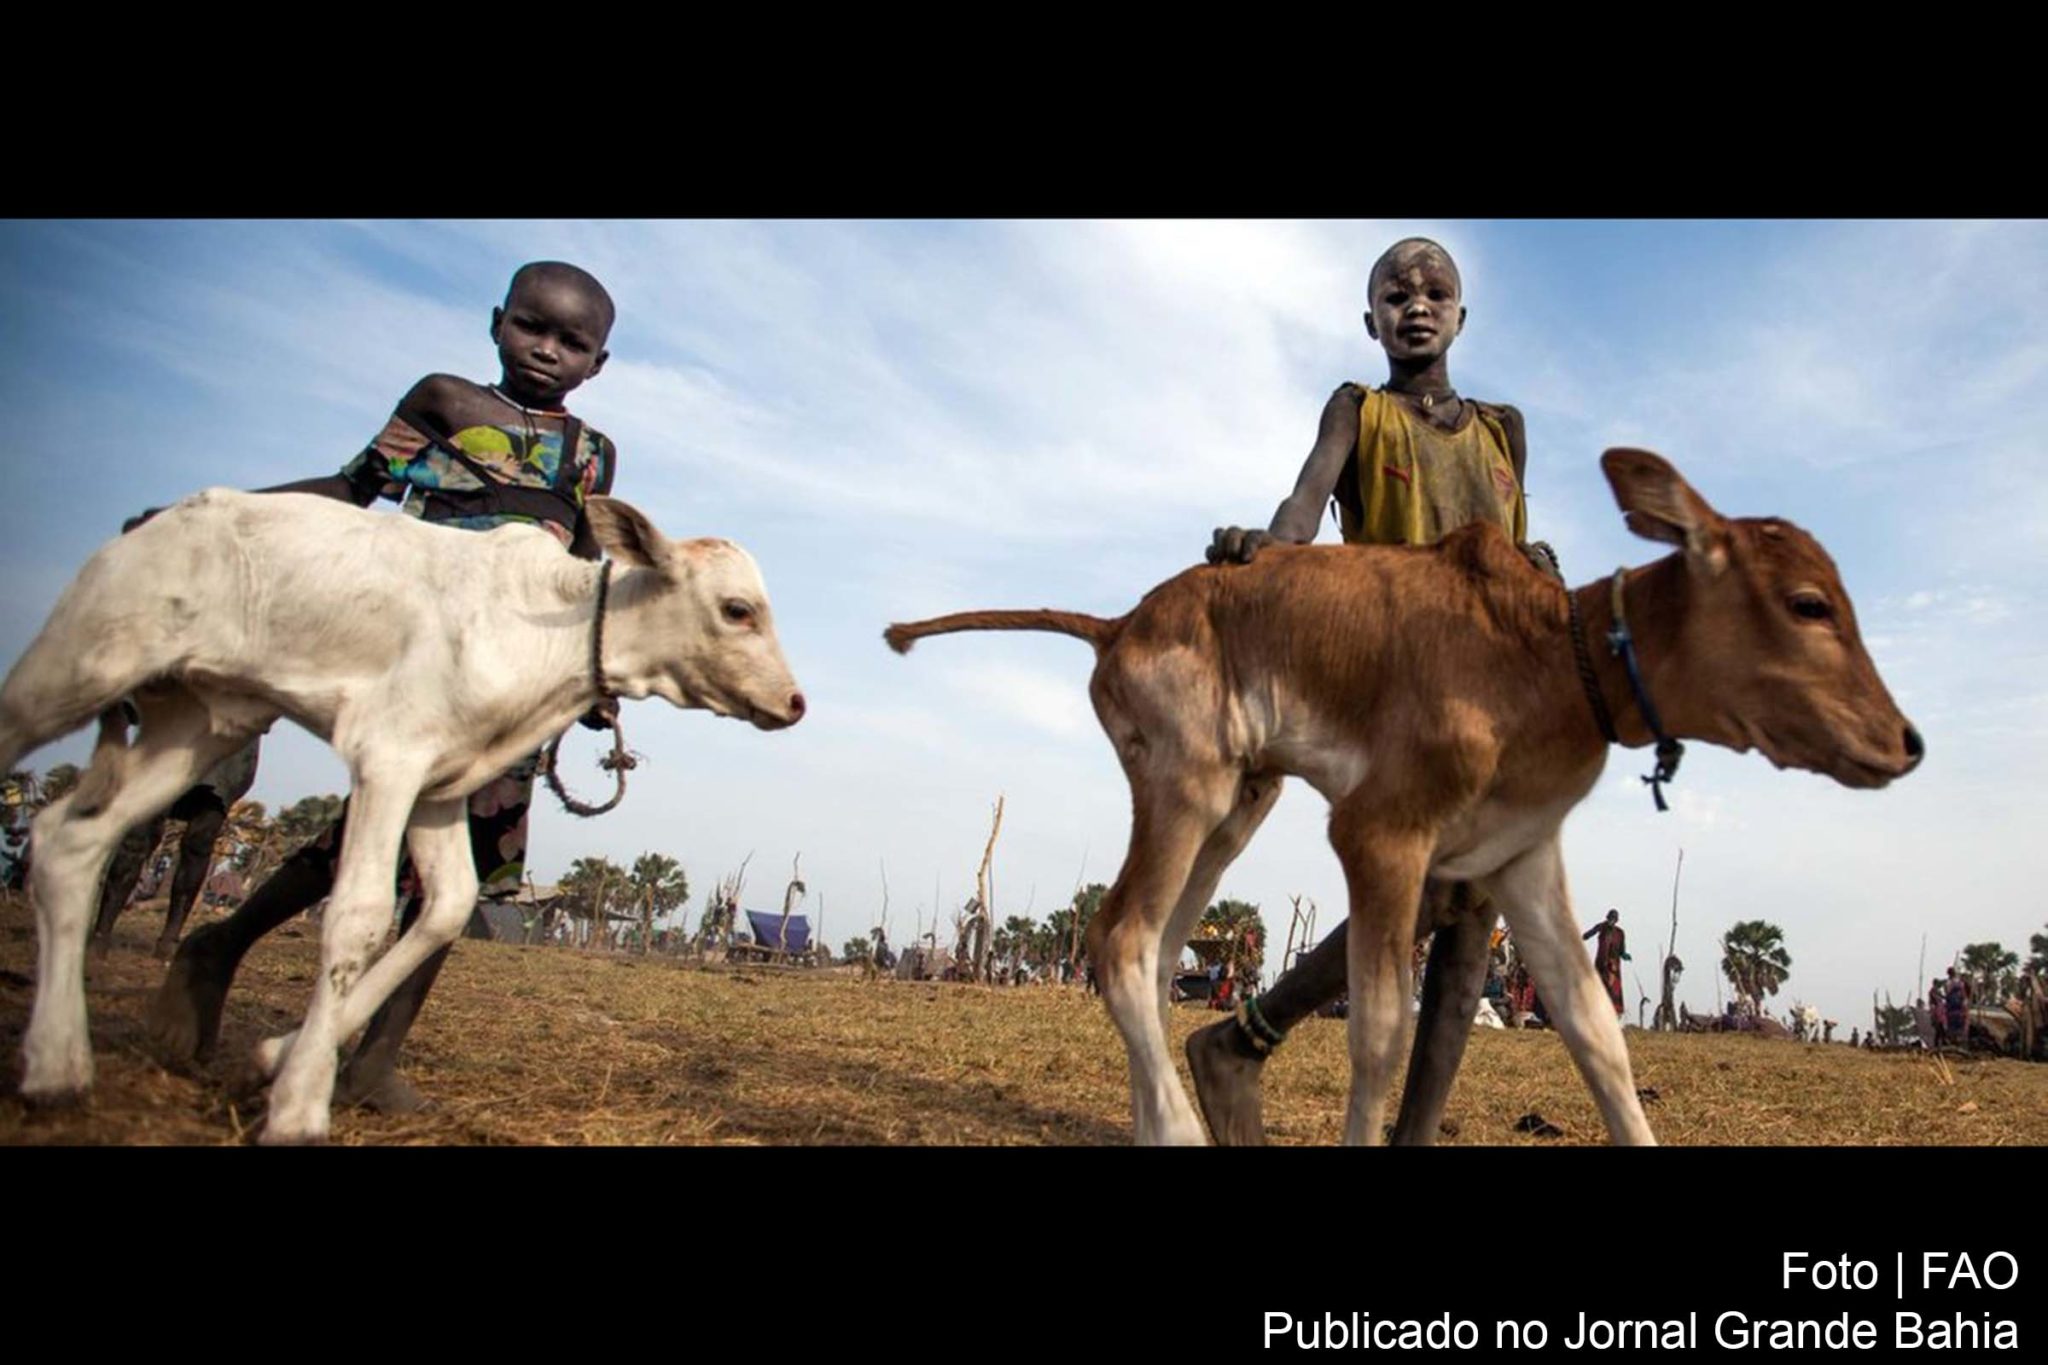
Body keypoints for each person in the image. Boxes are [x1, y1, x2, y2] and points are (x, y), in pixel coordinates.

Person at [146, 261, 621, 1112]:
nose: (547, 349)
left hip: (512, 685)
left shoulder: (590, 454)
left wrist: (593, 683)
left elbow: (580, 575)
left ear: (599, 362)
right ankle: (223, 946)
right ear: (497, 322)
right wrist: (210, 515)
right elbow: (352, 490)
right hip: (416, 663)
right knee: (370, 836)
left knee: (462, 869)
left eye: (571, 341)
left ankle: (374, 1057)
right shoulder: (444, 403)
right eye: (531, 326)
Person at [1184, 237, 1542, 1144]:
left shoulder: (1504, 430)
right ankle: (1243, 1038)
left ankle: (1389, 1123)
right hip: (1397, 681)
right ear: (1371, 319)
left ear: (1461, 315)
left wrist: (1538, 571)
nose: (1415, 304)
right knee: (1427, 890)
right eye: (1395, 294)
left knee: (1472, 922)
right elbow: (1303, 510)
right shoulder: (1359, 410)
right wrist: (1264, 552)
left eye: (1435, 292)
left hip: (1491, 689)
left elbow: (1510, 553)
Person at [1583, 909, 1630, 1018]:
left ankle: (1613, 1013)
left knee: (1613, 989)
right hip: (1601, 963)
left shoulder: (1620, 933)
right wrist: (1582, 937)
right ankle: (1594, 1011)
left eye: (1614, 919)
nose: (1611, 921)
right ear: (1607, 918)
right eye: (1610, 918)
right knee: (1598, 986)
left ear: (1616, 920)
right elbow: (1590, 933)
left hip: (1613, 966)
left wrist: (1624, 955)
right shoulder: (1601, 927)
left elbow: (1621, 950)